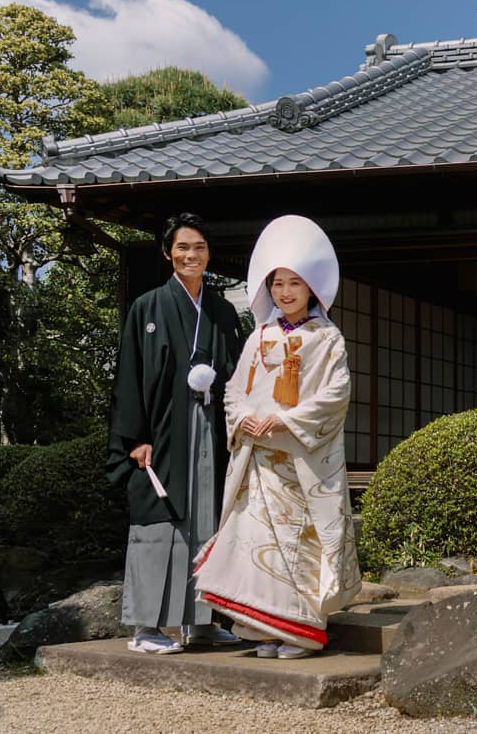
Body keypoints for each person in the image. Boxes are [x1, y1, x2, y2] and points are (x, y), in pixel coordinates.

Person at [193, 215, 360, 659]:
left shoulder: (327, 338)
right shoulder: (259, 336)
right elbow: (234, 391)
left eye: (295, 283)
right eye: (278, 283)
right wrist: (244, 418)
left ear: (312, 288)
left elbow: (335, 396)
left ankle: (301, 633)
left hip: (299, 464)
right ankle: (265, 630)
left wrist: (285, 422)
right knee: (255, 546)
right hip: (258, 462)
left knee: (297, 545)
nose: (285, 292)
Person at [106, 212, 246, 654]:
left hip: (210, 427)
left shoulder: (222, 310)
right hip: (163, 431)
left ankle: (203, 623)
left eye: (199, 248)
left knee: (210, 520)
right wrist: (135, 437)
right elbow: (129, 375)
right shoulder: (147, 307)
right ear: (168, 254)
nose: (192, 255)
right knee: (160, 520)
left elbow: (239, 371)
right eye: (183, 247)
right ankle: (147, 626)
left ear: (209, 254)